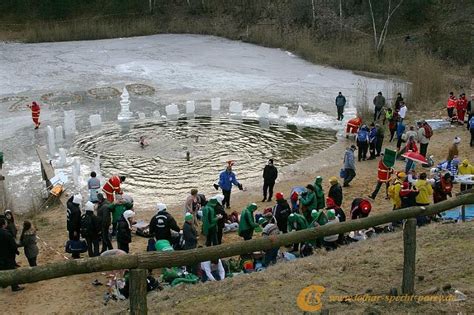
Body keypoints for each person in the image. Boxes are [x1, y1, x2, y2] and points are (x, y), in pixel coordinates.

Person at [0, 217, 24, 291]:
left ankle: (3, 283)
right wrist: (16, 251)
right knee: (12, 270)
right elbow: (13, 245)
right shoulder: (6, 233)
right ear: (3, 224)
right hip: (8, 255)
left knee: (2, 269)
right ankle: (15, 286)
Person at [66, 194, 82, 259]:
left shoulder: (69, 205)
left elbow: (68, 201)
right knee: (76, 241)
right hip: (74, 229)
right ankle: (76, 255)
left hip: (69, 227)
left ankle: (73, 253)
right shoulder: (76, 211)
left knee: (72, 240)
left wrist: (73, 196)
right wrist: (75, 230)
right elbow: (75, 222)